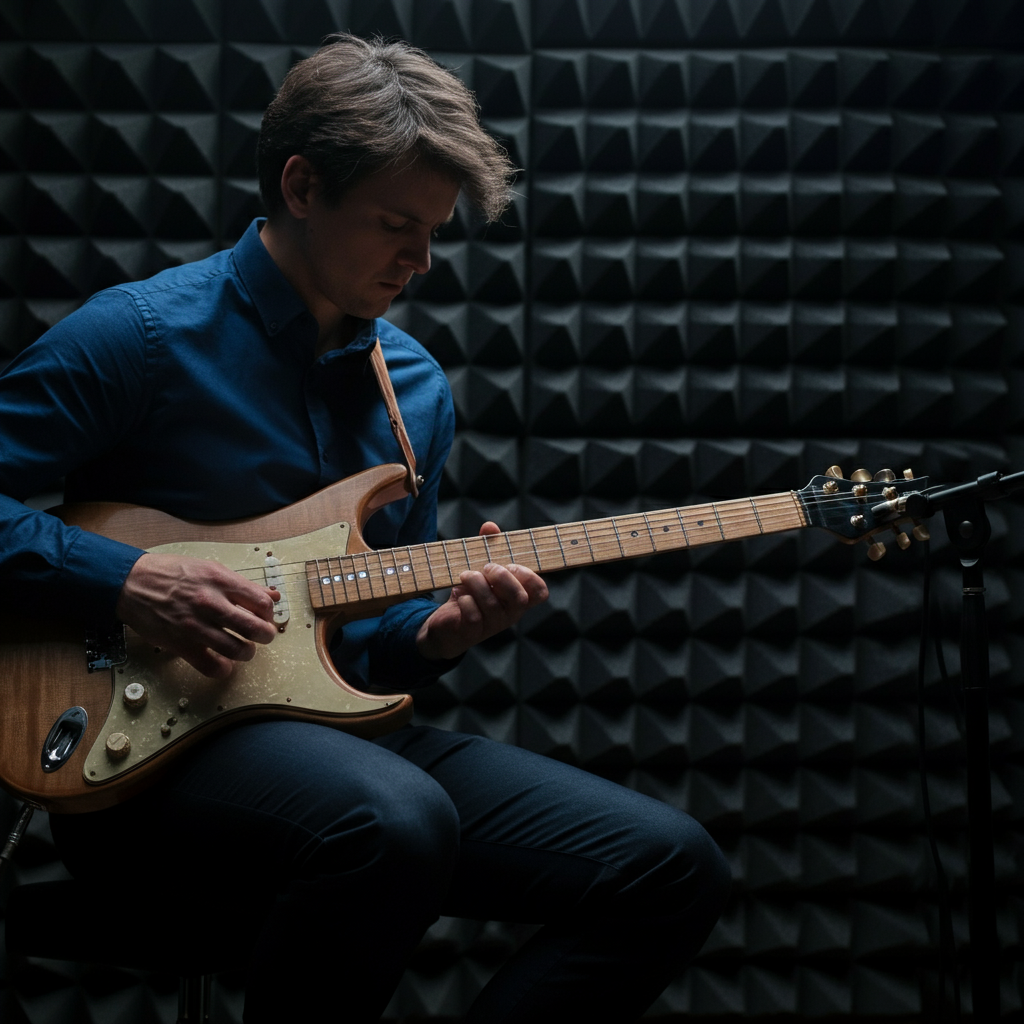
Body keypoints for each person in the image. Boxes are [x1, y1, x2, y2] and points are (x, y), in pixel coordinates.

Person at [0, 34, 730, 1022]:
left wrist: (434, 633)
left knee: (667, 865)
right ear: (301, 186)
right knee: (392, 819)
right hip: (139, 764)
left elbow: (366, 648)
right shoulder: (136, 338)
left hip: (329, 744)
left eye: (432, 232)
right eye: (396, 224)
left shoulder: (413, 389)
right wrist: (126, 578)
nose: (421, 260)